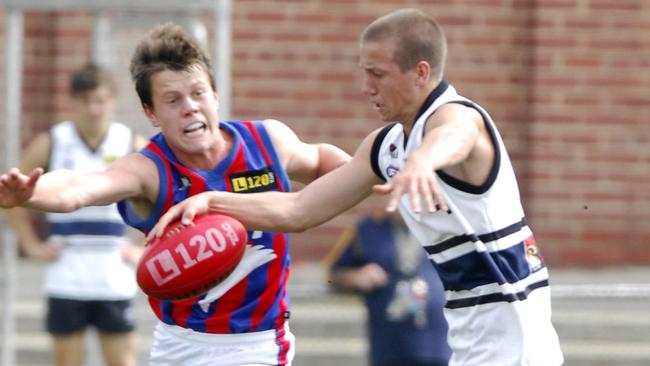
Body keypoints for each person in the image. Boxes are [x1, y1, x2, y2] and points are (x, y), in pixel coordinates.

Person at [143, 8, 565, 366]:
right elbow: (299, 210)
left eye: (377, 74)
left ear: (421, 73)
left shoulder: (457, 117)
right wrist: (211, 201)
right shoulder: (386, 147)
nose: (366, 87)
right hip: (469, 334)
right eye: (364, 73)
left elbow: (455, 136)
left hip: (518, 343)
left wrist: (422, 162)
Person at [0, 23, 350, 366]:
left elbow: (323, 161)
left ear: (214, 94)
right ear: (151, 114)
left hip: (256, 342)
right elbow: (82, 186)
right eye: (172, 100)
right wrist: (30, 193)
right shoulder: (149, 169)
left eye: (198, 93)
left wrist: (367, 172)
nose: (191, 107)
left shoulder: (266, 142)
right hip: (178, 344)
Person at [5, 63, 147, 366]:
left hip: (113, 277)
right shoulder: (54, 140)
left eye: (100, 100)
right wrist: (30, 244)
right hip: (66, 276)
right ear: (73, 102)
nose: (94, 108)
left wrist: (142, 247)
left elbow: (165, 195)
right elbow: (12, 194)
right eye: (86, 100)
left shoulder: (129, 142)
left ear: (112, 101)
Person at [325, 211, 451, 366]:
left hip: (440, 343)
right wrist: (356, 276)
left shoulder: (445, 227)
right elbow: (333, 276)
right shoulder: (367, 229)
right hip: (389, 343)